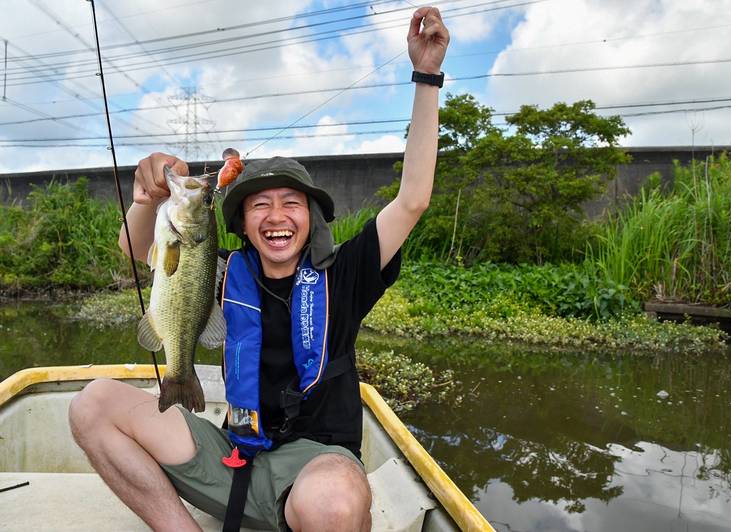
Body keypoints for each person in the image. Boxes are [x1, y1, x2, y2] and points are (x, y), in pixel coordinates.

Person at [68, 7, 449, 532]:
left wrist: (426, 76)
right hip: (235, 456)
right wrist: (143, 199)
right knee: (93, 405)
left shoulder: (346, 272)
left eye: (291, 202)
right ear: (243, 225)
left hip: (316, 467)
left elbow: (413, 200)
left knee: (332, 503)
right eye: (258, 205)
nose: (275, 216)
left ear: (311, 217)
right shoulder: (219, 270)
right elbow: (136, 250)